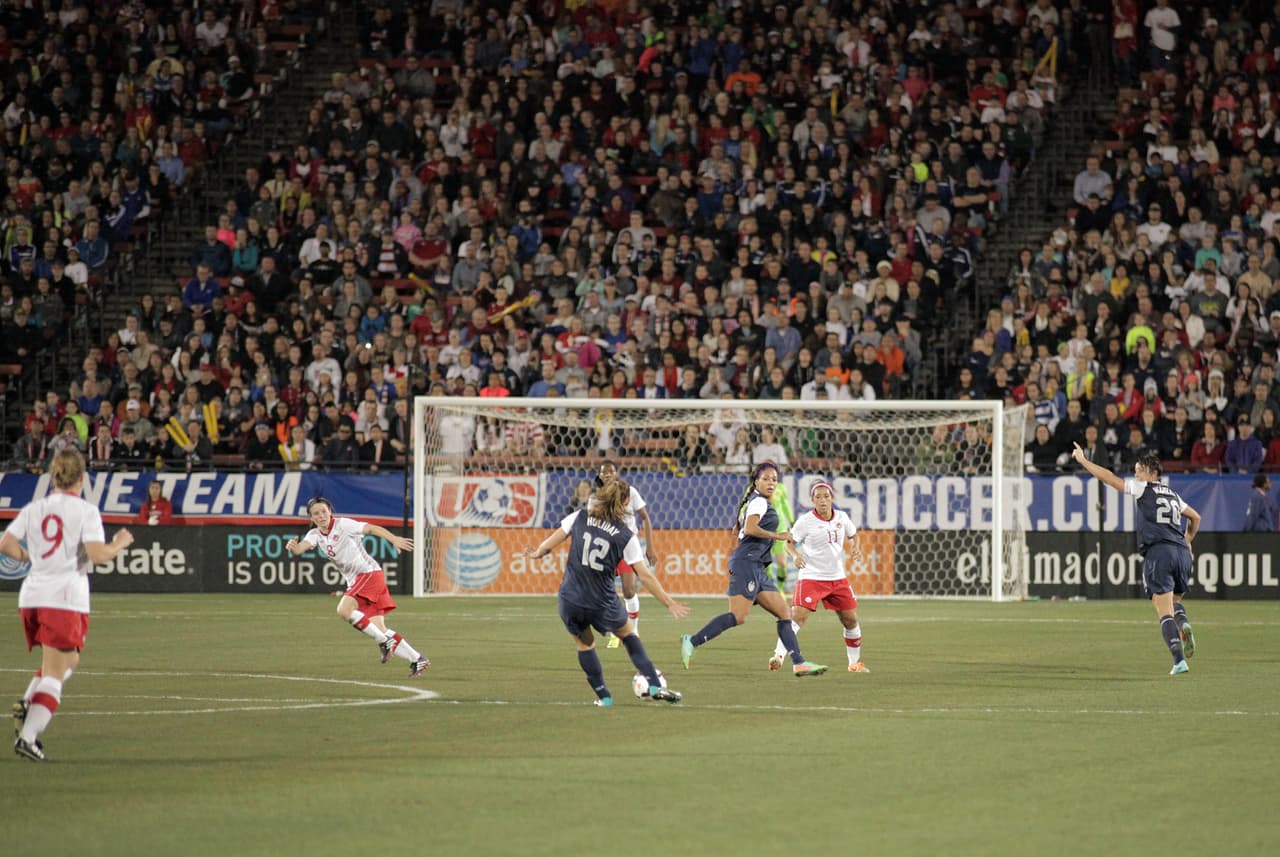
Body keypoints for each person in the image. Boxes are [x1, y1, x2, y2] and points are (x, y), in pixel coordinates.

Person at [2, 450, 135, 761]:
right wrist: (119, 543)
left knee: (68, 662)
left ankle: (27, 703)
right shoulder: (85, 511)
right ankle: (29, 736)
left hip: (32, 595)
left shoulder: (36, 508)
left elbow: (5, 544)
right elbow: (98, 555)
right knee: (55, 673)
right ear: (82, 478)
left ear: (53, 477)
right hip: (62, 599)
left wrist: (28, 557)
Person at [524, 478, 689, 706]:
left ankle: (604, 697)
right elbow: (645, 575)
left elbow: (552, 542)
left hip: (570, 598)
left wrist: (537, 553)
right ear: (624, 502)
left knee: (585, 644)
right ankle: (653, 683)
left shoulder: (580, 516)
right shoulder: (624, 535)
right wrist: (669, 602)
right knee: (628, 635)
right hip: (602, 602)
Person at [680, 462, 828, 676]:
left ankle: (799, 662)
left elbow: (743, 526)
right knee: (738, 616)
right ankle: (691, 642)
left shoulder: (757, 502)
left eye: (774, 479)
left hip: (757, 566)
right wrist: (777, 536)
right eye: (766, 479)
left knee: (784, 613)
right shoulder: (758, 502)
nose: (771, 483)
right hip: (746, 563)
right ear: (756, 481)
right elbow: (750, 528)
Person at [1070, 445, 1199, 675]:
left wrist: (1083, 461)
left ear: (1151, 474)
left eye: (1139, 471)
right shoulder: (1172, 494)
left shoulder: (1143, 488)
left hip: (1159, 553)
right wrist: (1188, 539)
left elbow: (1109, 478)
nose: (1136, 475)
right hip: (1181, 553)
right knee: (1174, 603)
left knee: (1162, 611)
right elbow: (1195, 517)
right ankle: (1184, 624)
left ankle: (1179, 660)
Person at [284, 497, 428, 677]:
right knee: (379, 628)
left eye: (324, 511)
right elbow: (299, 550)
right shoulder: (314, 535)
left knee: (344, 610)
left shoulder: (343, 525)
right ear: (311, 518)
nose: (321, 516)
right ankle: (417, 659)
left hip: (368, 574)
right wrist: (292, 547)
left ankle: (385, 642)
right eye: (316, 514)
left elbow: (371, 528)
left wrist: (393, 539)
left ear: (330, 511)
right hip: (360, 580)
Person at [767, 481, 869, 673]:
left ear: (832, 498)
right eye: (818, 497)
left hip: (837, 578)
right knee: (797, 617)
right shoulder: (806, 521)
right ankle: (778, 656)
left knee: (850, 619)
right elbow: (789, 543)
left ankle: (854, 663)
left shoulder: (842, 517)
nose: (823, 500)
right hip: (811, 577)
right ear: (812, 500)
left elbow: (854, 535)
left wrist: (855, 546)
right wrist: (795, 556)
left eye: (826, 496)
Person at [594, 461, 658, 647]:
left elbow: (645, 517)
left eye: (610, 472)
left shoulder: (630, 492)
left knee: (629, 590)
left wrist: (650, 547)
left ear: (616, 474)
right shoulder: (598, 497)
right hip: (606, 548)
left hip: (627, 547)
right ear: (600, 475)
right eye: (604, 472)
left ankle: (634, 631)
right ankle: (616, 628)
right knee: (604, 591)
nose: (607, 475)